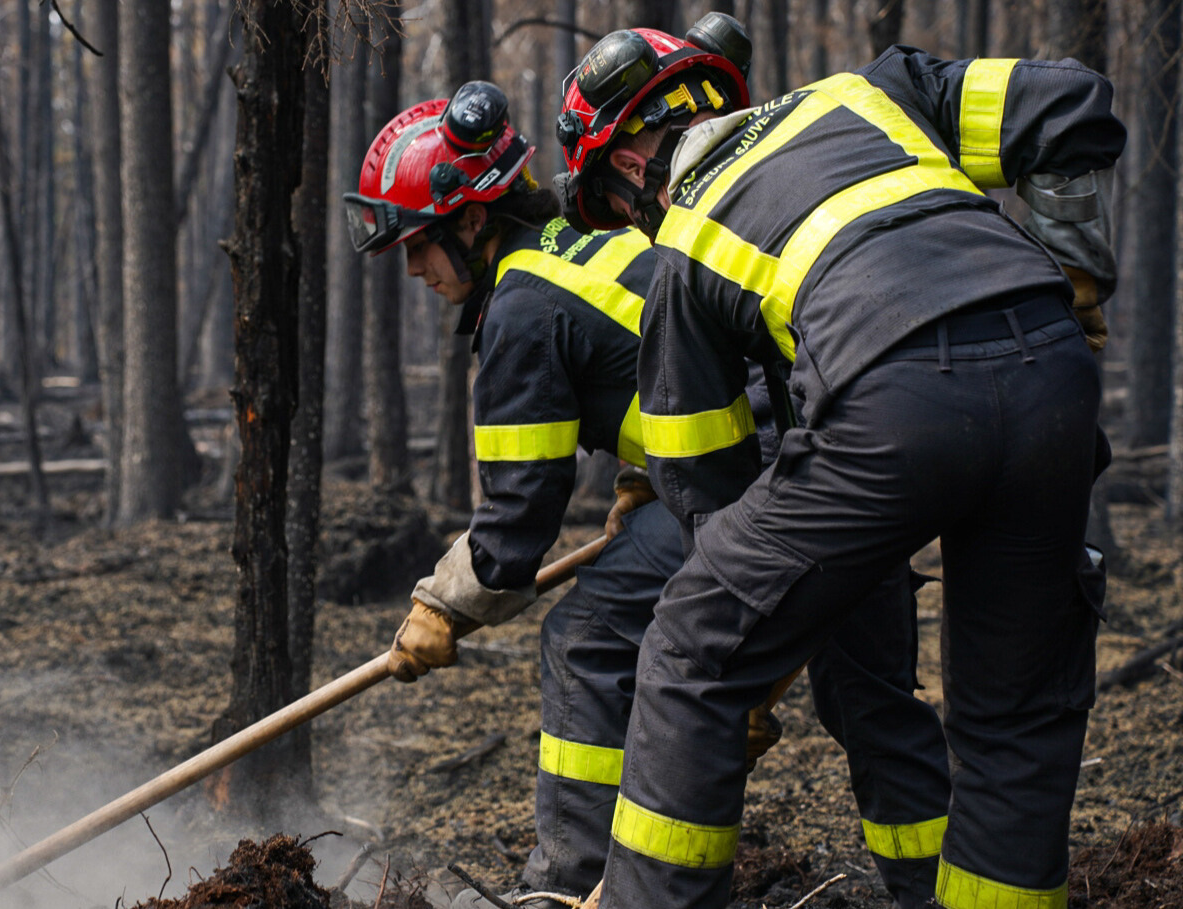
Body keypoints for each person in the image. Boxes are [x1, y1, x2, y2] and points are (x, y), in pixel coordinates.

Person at [554, 20, 1121, 909]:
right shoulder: (874, 93)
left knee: (691, 650)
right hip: (1054, 379)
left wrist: (751, 652)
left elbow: (711, 494)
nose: (631, 224)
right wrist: (1077, 277)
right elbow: (1068, 101)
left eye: (615, 204)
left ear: (629, 165)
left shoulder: (687, 238)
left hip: (894, 405)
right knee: (1015, 723)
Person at [346, 75, 940, 909]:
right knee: (871, 702)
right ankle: (945, 890)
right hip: (842, 455)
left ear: (471, 220)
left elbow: (516, 527)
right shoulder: (593, 240)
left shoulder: (519, 309)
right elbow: (662, 363)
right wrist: (645, 479)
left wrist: (443, 605)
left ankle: (571, 879)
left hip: (747, 479)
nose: (412, 268)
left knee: (586, 642)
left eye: (416, 244)